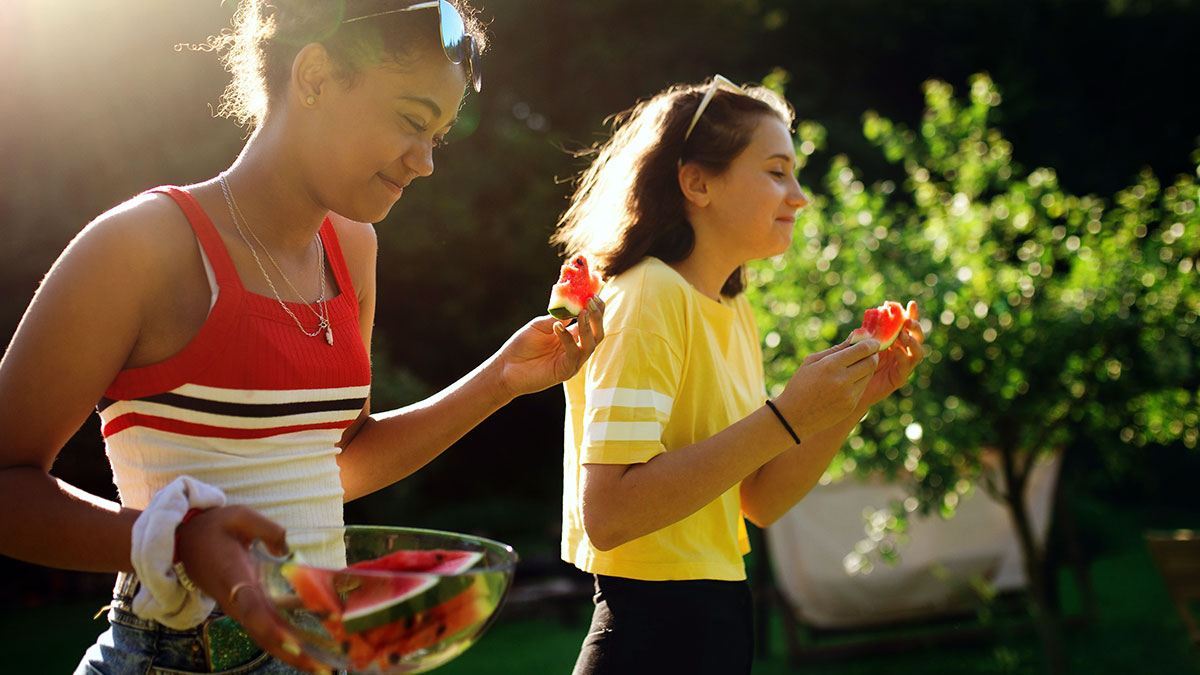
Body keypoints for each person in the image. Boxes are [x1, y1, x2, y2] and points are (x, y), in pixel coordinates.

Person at [0, 2, 605, 674]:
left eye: (438, 134)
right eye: (411, 121)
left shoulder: (353, 247)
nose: (427, 161)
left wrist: (502, 380)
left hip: (324, 654)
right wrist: (176, 538)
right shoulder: (143, 247)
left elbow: (334, 462)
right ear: (314, 76)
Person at [550, 75, 926, 674]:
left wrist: (850, 401)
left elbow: (761, 500)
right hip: (650, 634)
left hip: (720, 616)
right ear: (697, 182)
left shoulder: (731, 307)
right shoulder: (649, 294)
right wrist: (788, 415)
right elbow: (611, 514)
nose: (799, 197)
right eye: (777, 171)